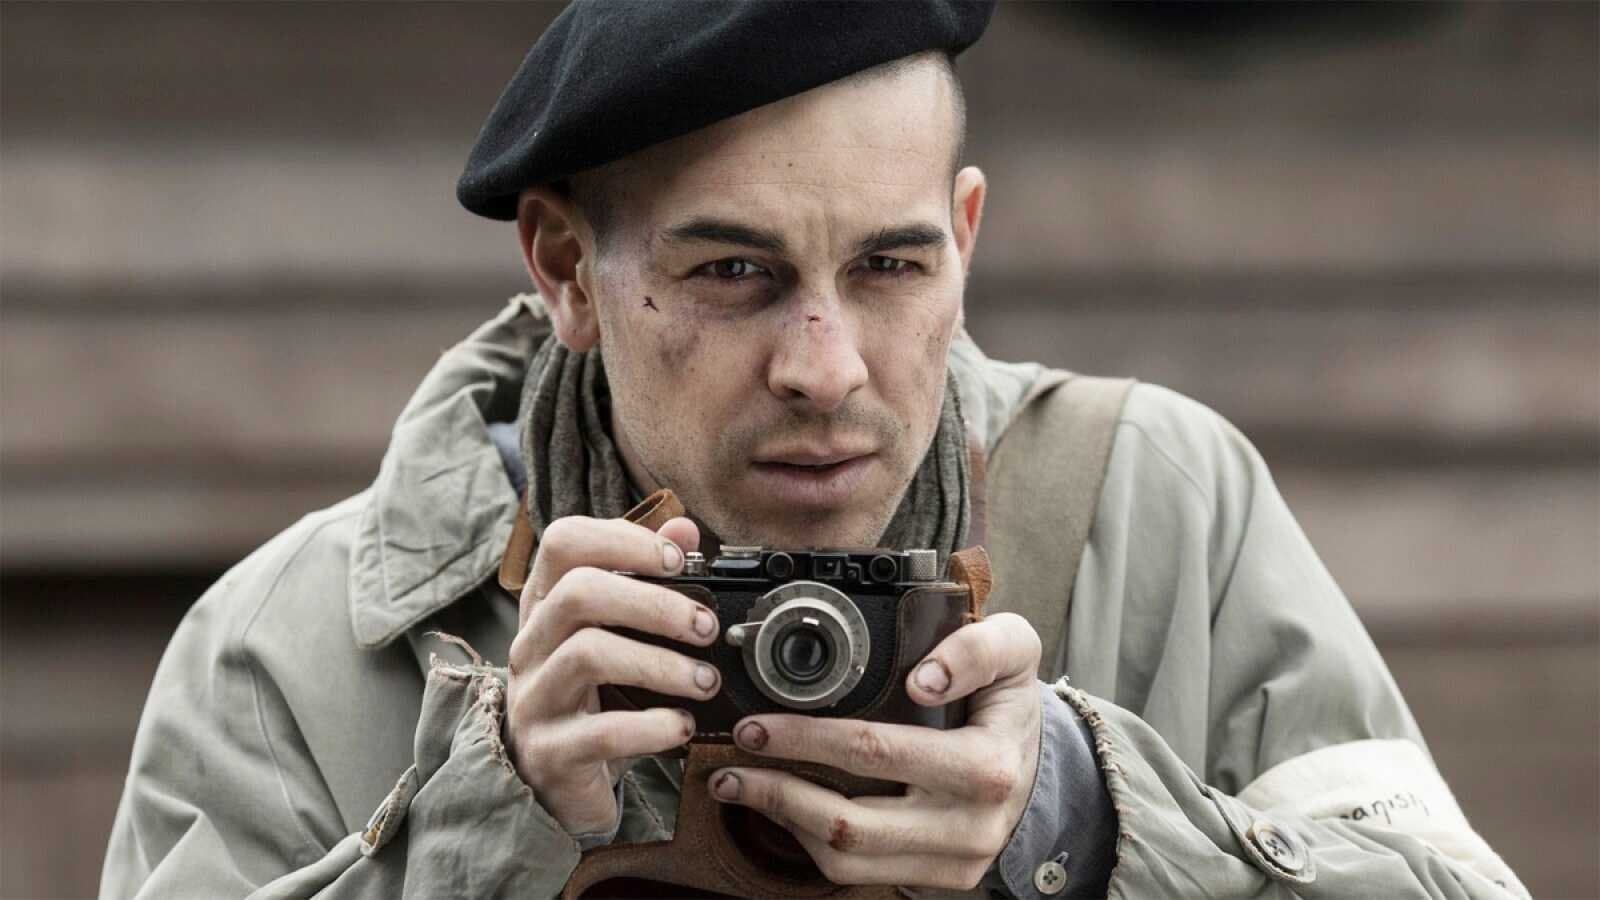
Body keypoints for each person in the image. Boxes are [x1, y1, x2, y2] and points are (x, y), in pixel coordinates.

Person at [101, 3, 1527, 898]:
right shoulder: (291, 651)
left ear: (966, 237)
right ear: (566, 268)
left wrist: (1085, 825)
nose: (826, 369)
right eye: (734, 274)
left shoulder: (1151, 508)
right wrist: (492, 830)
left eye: (893, 267)